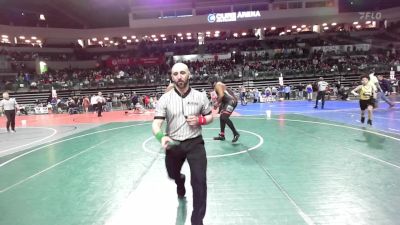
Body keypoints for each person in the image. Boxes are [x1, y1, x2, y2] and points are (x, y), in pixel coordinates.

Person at [152, 62, 213, 225]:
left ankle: (197, 220)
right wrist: (160, 136)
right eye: (175, 74)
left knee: (200, 181)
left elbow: (210, 116)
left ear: (189, 74)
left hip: (195, 143)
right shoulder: (164, 99)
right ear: (172, 77)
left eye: (182, 73)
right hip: (173, 144)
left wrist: (200, 120)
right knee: (172, 174)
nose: (179, 76)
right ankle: (180, 180)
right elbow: (156, 123)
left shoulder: (200, 96)